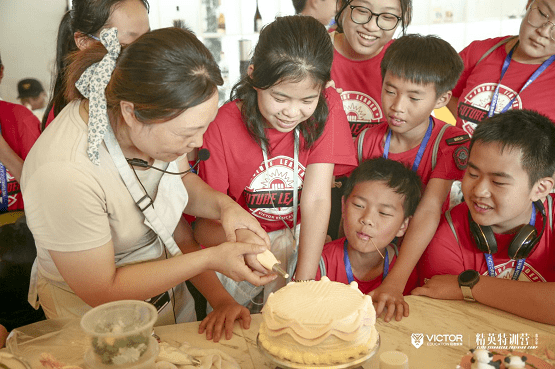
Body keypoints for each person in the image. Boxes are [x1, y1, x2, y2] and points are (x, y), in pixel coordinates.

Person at [20, 27, 276, 343]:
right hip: (95, 322)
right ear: (131, 113)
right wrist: (212, 258)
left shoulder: (152, 125)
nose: (198, 142)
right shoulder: (63, 172)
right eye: (187, 134)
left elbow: (176, 190)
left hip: (165, 295)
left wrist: (226, 208)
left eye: (203, 128)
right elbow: (103, 288)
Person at [194, 15, 356, 308]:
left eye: (307, 100)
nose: (292, 113)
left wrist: (304, 281)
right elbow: (202, 227)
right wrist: (247, 243)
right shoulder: (221, 125)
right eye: (280, 98)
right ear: (254, 76)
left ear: (324, 87)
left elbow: (318, 198)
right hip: (238, 249)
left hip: (302, 243)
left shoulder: (328, 106)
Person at [353, 34, 470, 321]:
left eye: (414, 97)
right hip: (368, 255)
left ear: (442, 98)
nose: (397, 106)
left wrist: (394, 280)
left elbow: (429, 210)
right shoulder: (365, 139)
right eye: (390, 91)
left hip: (420, 257)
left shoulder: (449, 141)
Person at [414, 109, 555, 326]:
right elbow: (449, 323)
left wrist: (470, 286)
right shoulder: (446, 233)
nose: (479, 190)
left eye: (498, 182)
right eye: (472, 174)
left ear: (541, 188)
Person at [447, 0, 555, 136]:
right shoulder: (479, 52)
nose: (544, 31)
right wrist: (468, 123)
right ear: (529, 4)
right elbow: (439, 91)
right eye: (542, 13)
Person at [316, 157, 421, 295]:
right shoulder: (320, 263)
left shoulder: (404, 268)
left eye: (384, 213)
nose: (367, 219)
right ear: (343, 206)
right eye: (359, 205)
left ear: (403, 225)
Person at [41, 0, 150, 131]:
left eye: (149, 38)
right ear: (85, 42)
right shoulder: (75, 116)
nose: (145, 54)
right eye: (126, 45)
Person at [330, 0, 412, 136]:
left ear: (404, 16)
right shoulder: (311, 54)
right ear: (340, 6)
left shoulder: (407, 62)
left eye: (387, 16)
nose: (371, 26)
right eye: (362, 10)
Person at [0, 51, 41, 214]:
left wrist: (4, 153)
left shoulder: (21, 118)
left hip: (17, 227)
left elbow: (41, 188)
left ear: (1, 72)